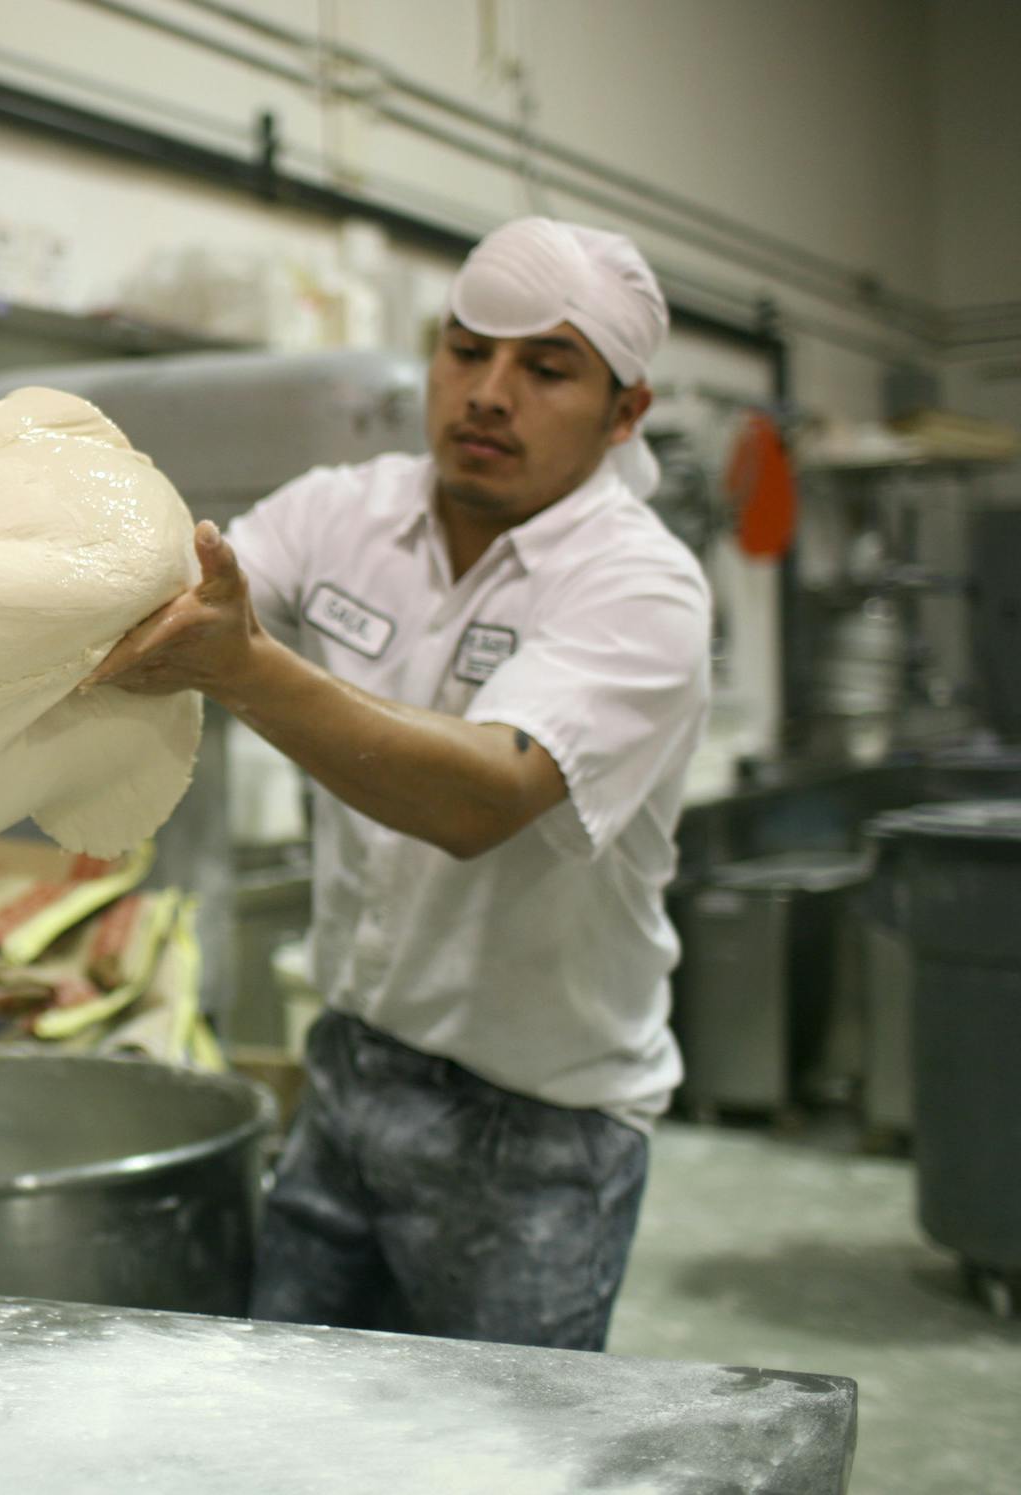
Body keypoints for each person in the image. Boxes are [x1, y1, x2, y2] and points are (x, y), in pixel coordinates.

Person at [93, 217, 712, 1351]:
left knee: (494, 1461)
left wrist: (245, 665)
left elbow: (480, 797)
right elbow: (167, 594)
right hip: (351, 1078)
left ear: (627, 414)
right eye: (466, 350)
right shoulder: (348, 511)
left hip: (540, 1135)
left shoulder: (640, 588)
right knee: (295, 1433)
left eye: (546, 367)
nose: (489, 392)